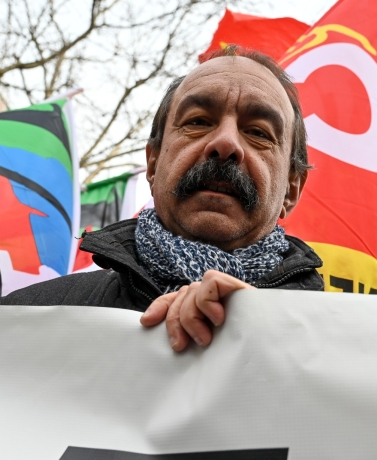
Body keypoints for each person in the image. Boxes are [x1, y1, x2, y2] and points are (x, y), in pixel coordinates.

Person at [0, 47, 323, 351]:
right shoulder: (22, 322)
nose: (225, 143)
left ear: (291, 188)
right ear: (153, 163)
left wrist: (274, 337)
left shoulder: (341, 344)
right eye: (198, 122)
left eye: (258, 132)